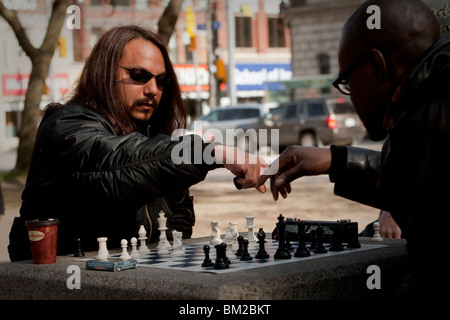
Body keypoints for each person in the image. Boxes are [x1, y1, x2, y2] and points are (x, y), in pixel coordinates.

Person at [8, 26, 267, 262]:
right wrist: (211, 153)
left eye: (161, 80)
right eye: (139, 75)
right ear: (105, 73)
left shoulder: (153, 137)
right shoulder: (67, 125)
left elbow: (174, 224)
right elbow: (114, 163)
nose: (153, 89)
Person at [257, 0, 449, 298]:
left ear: (377, 66)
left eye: (347, 81)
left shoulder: (426, 119)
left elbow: (434, 276)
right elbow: (425, 179)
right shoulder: (433, 99)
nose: (350, 97)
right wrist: (337, 160)